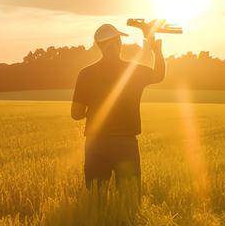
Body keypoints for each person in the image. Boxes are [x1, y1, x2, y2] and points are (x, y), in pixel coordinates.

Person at [70, 22, 166, 197]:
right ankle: (126, 224)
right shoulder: (133, 71)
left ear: (99, 46)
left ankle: (99, 224)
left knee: (95, 199)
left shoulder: (85, 74)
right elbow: (159, 75)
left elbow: (76, 114)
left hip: (95, 144)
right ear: (118, 44)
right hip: (125, 144)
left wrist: (96, 112)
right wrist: (156, 50)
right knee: (128, 199)